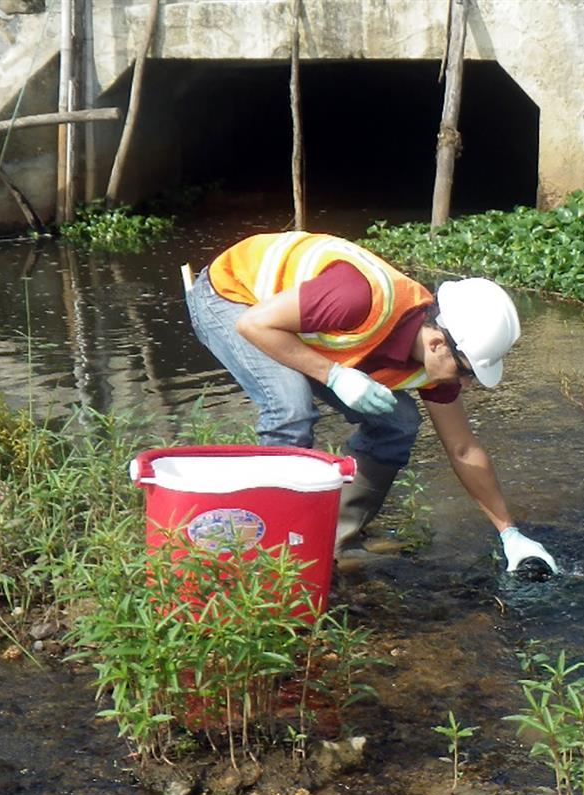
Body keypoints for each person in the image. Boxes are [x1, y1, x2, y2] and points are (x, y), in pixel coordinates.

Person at [182, 231, 558, 574]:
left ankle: (330, 542)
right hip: (229, 298)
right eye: (467, 372)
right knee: (291, 411)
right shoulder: (358, 297)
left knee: (398, 422)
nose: (467, 384)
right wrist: (334, 376)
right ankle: (271, 555)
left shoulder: (434, 360)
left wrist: (510, 534)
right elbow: (254, 325)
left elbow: (462, 449)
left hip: (292, 321)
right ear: (437, 343)